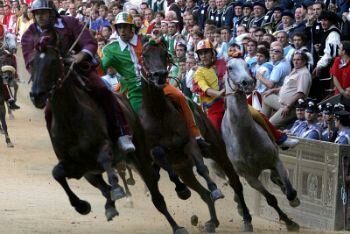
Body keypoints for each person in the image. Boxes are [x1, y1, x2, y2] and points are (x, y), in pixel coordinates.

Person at [21, 0, 136, 153]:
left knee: (103, 91)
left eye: (43, 13)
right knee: (49, 113)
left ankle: (122, 133)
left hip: (80, 70)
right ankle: (59, 149)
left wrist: (79, 56)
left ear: (52, 13)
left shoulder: (70, 23)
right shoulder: (29, 34)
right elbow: (29, 60)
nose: (40, 17)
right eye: (37, 13)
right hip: (54, 80)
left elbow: (90, 43)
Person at [193, 39, 298, 149]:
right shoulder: (198, 73)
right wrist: (219, 94)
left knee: (257, 115)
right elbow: (206, 89)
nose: (204, 56)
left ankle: (280, 139)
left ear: (212, 53)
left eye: (206, 52)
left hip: (232, 101)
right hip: (214, 108)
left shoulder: (223, 63)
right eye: (201, 53)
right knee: (214, 131)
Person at [262, 50, 312, 128]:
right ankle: (263, 121)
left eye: (298, 60)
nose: (295, 62)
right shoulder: (295, 70)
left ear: (304, 61)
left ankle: (266, 127)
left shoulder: (304, 73)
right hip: (281, 102)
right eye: (294, 60)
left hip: (291, 107)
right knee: (266, 96)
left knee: (270, 125)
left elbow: (300, 93)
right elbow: (287, 87)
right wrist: (273, 90)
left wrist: (288, 106)